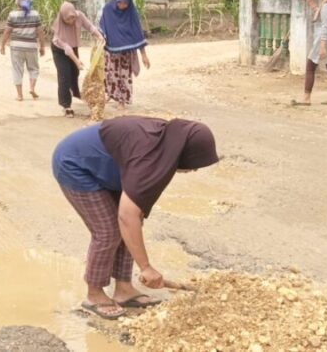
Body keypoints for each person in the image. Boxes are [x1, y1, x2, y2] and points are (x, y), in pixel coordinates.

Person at [52, 116, 219, 320]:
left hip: (108, 167)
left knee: (131, 227)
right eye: (194, 164)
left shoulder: (166, 144)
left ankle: (124, 289)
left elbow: (135, 215)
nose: (193, 170)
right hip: (75, 164)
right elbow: (127, 216)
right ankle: (94, 295)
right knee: (109, 231)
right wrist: (146, 268)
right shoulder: (150, 157)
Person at [100, 0, 150, 110]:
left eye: (125, 3)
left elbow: (138, 33)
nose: (122, 5)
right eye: (120, 2)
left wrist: (144, 55)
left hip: (126, 53)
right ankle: (110, 94)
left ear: (129, 2)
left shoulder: (131, 13)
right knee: (110, 74)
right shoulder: (108, 9)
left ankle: (121, 101)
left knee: (124, 76)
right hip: (111, 51)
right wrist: (101, 38)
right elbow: (102, 26)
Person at [51, 2, 104, 118]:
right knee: (64, 75)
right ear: (63, 17)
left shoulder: (79, 16)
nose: (71, 21)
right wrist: (77, 61)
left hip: (73, 46)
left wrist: (99, 36)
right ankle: (66, 106)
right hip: (60, 49)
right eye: (67, 19)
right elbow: (67, 49)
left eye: (72, 18)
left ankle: (74, 92)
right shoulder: (59, 25)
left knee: (75, 72)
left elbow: (90, 26)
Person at [0, 0, 46, 101]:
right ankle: (32, 88)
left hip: (16, 47)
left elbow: (7, 31)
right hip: (31, 46)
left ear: (17, 2)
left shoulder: (12, 15)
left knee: (17, 70)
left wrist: (2, 45)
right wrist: (42, 46)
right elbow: (40, 32)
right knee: (33, 68)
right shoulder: (35, 14)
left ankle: (20, 95)